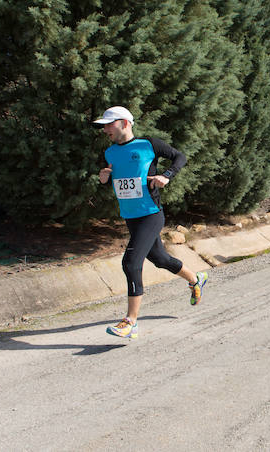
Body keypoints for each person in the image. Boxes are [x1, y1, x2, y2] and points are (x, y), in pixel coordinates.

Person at [94, 106, 208, 339]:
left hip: (150, 214)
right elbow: (115, 177)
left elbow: (180, 157)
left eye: (109, 124)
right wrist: (104, 178)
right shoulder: (110, 152)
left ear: (125, 123)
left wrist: (166, 175)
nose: (105, 129)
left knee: (131, 262)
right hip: (130, 216)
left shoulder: (149, 145)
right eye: (103, 126)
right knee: (160, 259)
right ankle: (195, 279)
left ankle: (130, 322)